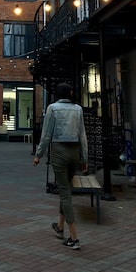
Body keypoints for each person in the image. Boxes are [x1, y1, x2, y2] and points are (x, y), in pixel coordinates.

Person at [33, 83, 88, 250]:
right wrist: (85, 158)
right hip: (75, 152)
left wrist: (38, 154)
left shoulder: (52, 108)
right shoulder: (78, 109)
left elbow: (46, 134)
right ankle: (60, 226)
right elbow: (83, 135)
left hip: (59, 151)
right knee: (67, 188)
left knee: (64, 192)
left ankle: (74, 237)